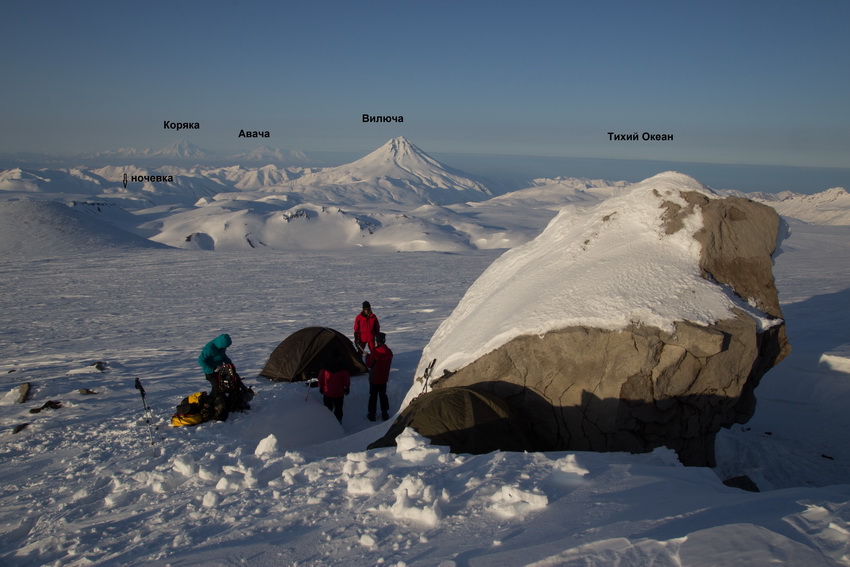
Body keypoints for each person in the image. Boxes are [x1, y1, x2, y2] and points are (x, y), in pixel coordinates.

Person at [197, 333, 251, 421]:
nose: (226, 348)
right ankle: (211, 404)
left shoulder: (221, 348)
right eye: (225, 346)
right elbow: (201, 360)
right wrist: (211, 369)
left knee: (228, 384)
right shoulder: (209, 348)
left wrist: (230, 364)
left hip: (219, 369)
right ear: (221, 344)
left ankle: (226, 402)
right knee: (217, 387)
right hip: (210, 372)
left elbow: (223, 356)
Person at [366, 332, 393, 421]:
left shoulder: (375, 352)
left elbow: (369, 364)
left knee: (373, 396)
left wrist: (367, 357)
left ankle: (372, 414)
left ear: (377, 341)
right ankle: (385, 413)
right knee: (383, 395)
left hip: (374, 378)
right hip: (384, 377)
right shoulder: (389, 352)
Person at [318, 350, 350, 423]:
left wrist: (321, 386)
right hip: (339, 393)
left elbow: (321, 377)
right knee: (338, 409)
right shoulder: (342, 366)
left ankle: (328, 423)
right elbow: (346, 379)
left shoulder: (325, 365)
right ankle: (338, 423)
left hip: (327, 392)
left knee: (327, 409)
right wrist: (347, 387)